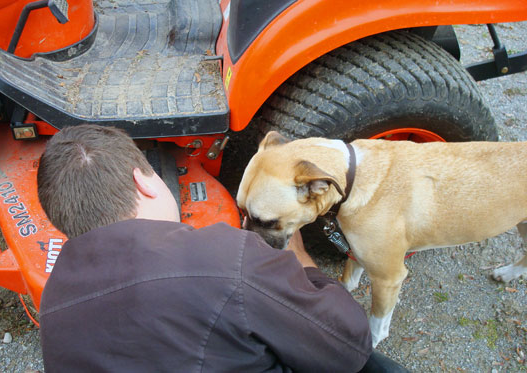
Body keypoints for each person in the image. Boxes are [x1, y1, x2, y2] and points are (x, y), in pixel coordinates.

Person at [36, 124, 405, 372]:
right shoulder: (225, 259)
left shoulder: (52, 311)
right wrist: (301, 260)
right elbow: (348, 346)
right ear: (143, 181)